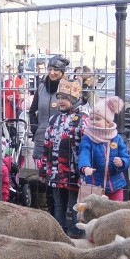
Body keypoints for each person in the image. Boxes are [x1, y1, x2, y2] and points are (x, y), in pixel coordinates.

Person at [40, 78, 87, 237]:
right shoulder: (54, 119)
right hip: (56, 172)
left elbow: (85, 147)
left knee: (74, 206)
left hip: (73, 172)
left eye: (65, 98)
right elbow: (46, 145)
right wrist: (43, 169)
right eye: (59, 97)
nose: (61, 101)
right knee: (58, 204)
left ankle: (76, 234)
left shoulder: (82, 120)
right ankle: (59, 233)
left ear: (74, 99)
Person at [78, 96, 130, 202]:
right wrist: (85, 167)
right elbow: (84, 153)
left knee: (114, 213)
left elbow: (125, 156)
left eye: (98, 119)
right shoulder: (88, 137)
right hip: (93, 185)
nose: (93, 121)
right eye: (91, 118)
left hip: (115, 185)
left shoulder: (116, 138)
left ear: (108, 122)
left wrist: (122, 162)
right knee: (93, 214)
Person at [29, 55, 69, 160]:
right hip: (41, 137)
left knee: (59, 172)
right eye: (50, 69)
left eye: (56, 69)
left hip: (61, 138)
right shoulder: (41, 88)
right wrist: (35, 128)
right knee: (42, 173)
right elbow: (32, 110)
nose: (52, 72)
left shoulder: (67, 88)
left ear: (62, 72)